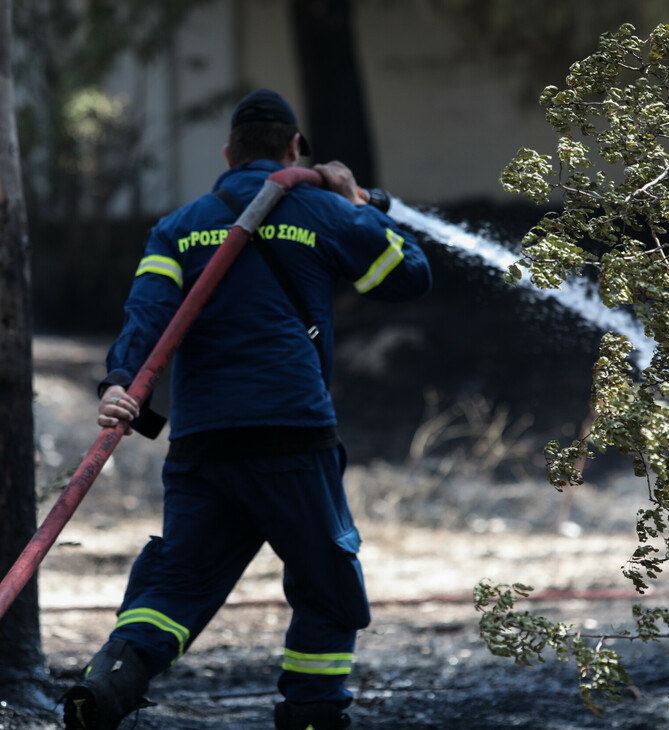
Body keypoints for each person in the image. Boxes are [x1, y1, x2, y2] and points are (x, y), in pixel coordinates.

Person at [62, 88, 432, 730]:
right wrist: (360, 204)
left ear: (230, 154)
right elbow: (409, 277)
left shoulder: (178, 225)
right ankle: (313, 714)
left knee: (175, 585)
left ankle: (106, 685)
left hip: (205, 443)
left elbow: (148, 314)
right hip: (292, 436)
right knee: (326, 583)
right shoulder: (323, 211)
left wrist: (121, 381)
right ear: (295, 149)